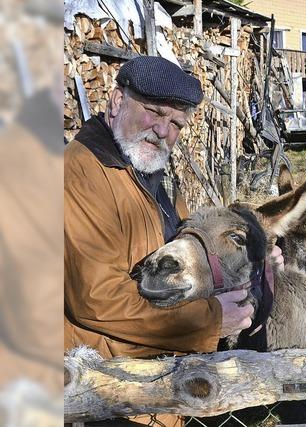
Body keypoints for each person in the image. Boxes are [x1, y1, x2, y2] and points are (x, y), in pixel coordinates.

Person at [65, 56, 282, 361]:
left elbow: (188, 255)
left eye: (176, 123)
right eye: (153, 112)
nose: (162, 130)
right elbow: (97, 300)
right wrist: (210, 321)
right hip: (105, 383)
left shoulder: (150, 172)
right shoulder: (80, 172)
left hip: (151, 376)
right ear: (116, 102)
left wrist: (252, 260)